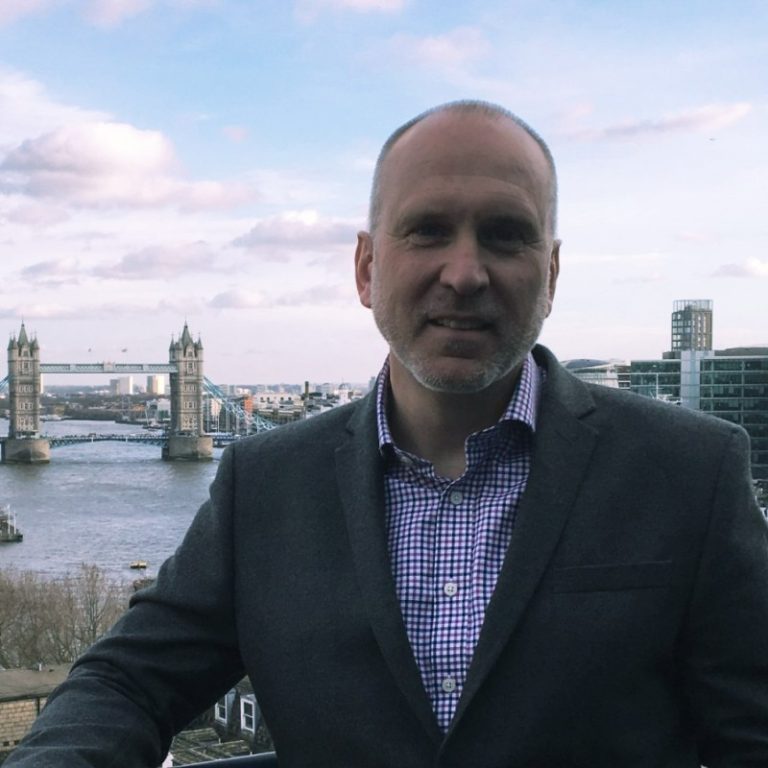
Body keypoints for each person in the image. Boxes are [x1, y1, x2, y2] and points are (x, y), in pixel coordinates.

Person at [7, 101, 768, 767]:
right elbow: (127, 684)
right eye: (428, 231)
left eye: (505, 236)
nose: (464, 272)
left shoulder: (691, 471)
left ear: (553, 274)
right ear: (367, 267)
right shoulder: (264, 483)